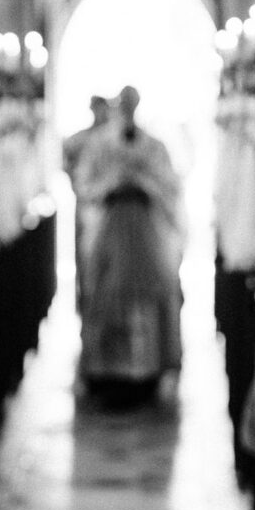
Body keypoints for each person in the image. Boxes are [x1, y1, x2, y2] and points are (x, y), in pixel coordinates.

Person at [73, 85, 183, 405]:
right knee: (106, 292)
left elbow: (169, 183)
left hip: (144, 227)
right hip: (112, 225)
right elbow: (86, 181)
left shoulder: (153, 145)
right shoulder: (101, 143)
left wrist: (143, 183)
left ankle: (147, 369)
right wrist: (113, 184)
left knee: (150, 291)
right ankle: (107, 371)